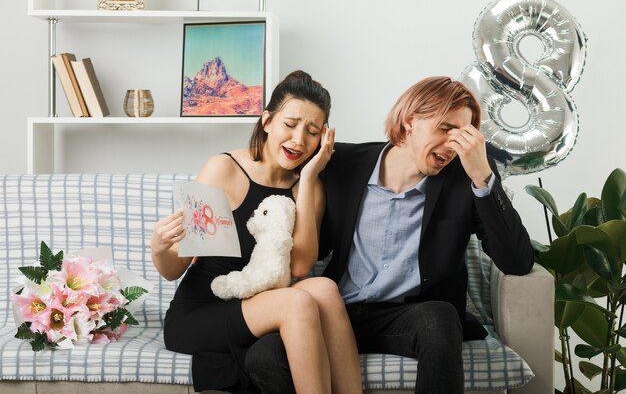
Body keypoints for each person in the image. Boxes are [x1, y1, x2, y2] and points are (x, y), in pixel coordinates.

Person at [245, 76, 534, 394]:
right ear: (410, 122)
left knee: (438, 318)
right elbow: (275, 160)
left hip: (409, 316)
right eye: (445, 128)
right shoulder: (341, 164)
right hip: (338, 311)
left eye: (463, 134)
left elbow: (516, 262)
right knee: (263, 355)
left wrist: (483, 176)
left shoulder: (466, 178)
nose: (452, 145)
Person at [151, 70, 363, 394]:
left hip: (259, 305)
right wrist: (159, 248)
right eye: (290, 125)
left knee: (324, 289)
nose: (298, 140)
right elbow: (175, 269)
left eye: (311, 132)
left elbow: (300, 268)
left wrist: (306, 180)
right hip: (202, 309)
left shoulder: (310, 188)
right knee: (298, 303)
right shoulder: (222, 169)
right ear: (267, 121)